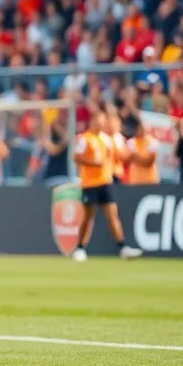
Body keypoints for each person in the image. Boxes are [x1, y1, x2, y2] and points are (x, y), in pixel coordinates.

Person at [71, 112, 142, 262]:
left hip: (105, 181)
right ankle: (80, 247)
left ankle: (122, 247)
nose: (101, 124)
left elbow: (116, 157)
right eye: (99, 121)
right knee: (88, 217)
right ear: (92, 122)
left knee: (112, 215)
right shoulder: (85, 138)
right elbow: (76, 157)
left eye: (103, 121)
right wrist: (92, 162)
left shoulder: (107, 140)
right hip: (89, 182)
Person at [124, 117, 159, 185]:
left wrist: (134, 156)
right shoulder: (131, 142)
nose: (141, 130)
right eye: (140, 127)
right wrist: (135, 156)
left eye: (143, 127)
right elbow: (126, 159)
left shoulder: (152, 142)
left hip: (150, 181)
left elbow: (149, 162)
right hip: (135, 180)